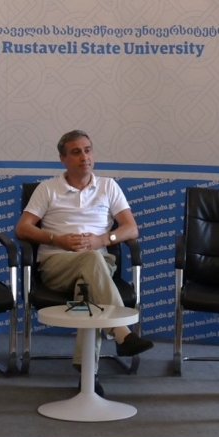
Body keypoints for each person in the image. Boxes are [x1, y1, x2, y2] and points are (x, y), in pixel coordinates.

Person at [15, 130, 154, 393]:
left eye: (88, 150)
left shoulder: (108, 186)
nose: (85, 157)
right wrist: (57, 240)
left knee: (87, 290)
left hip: (99, 265)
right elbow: (23, 228)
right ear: (63, 158)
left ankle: (88, 373)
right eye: (76, 152)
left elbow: (131, 228)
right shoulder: (47, 189)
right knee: (90, 261)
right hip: (57, 265)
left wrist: (102, 239)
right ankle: (121, 332)